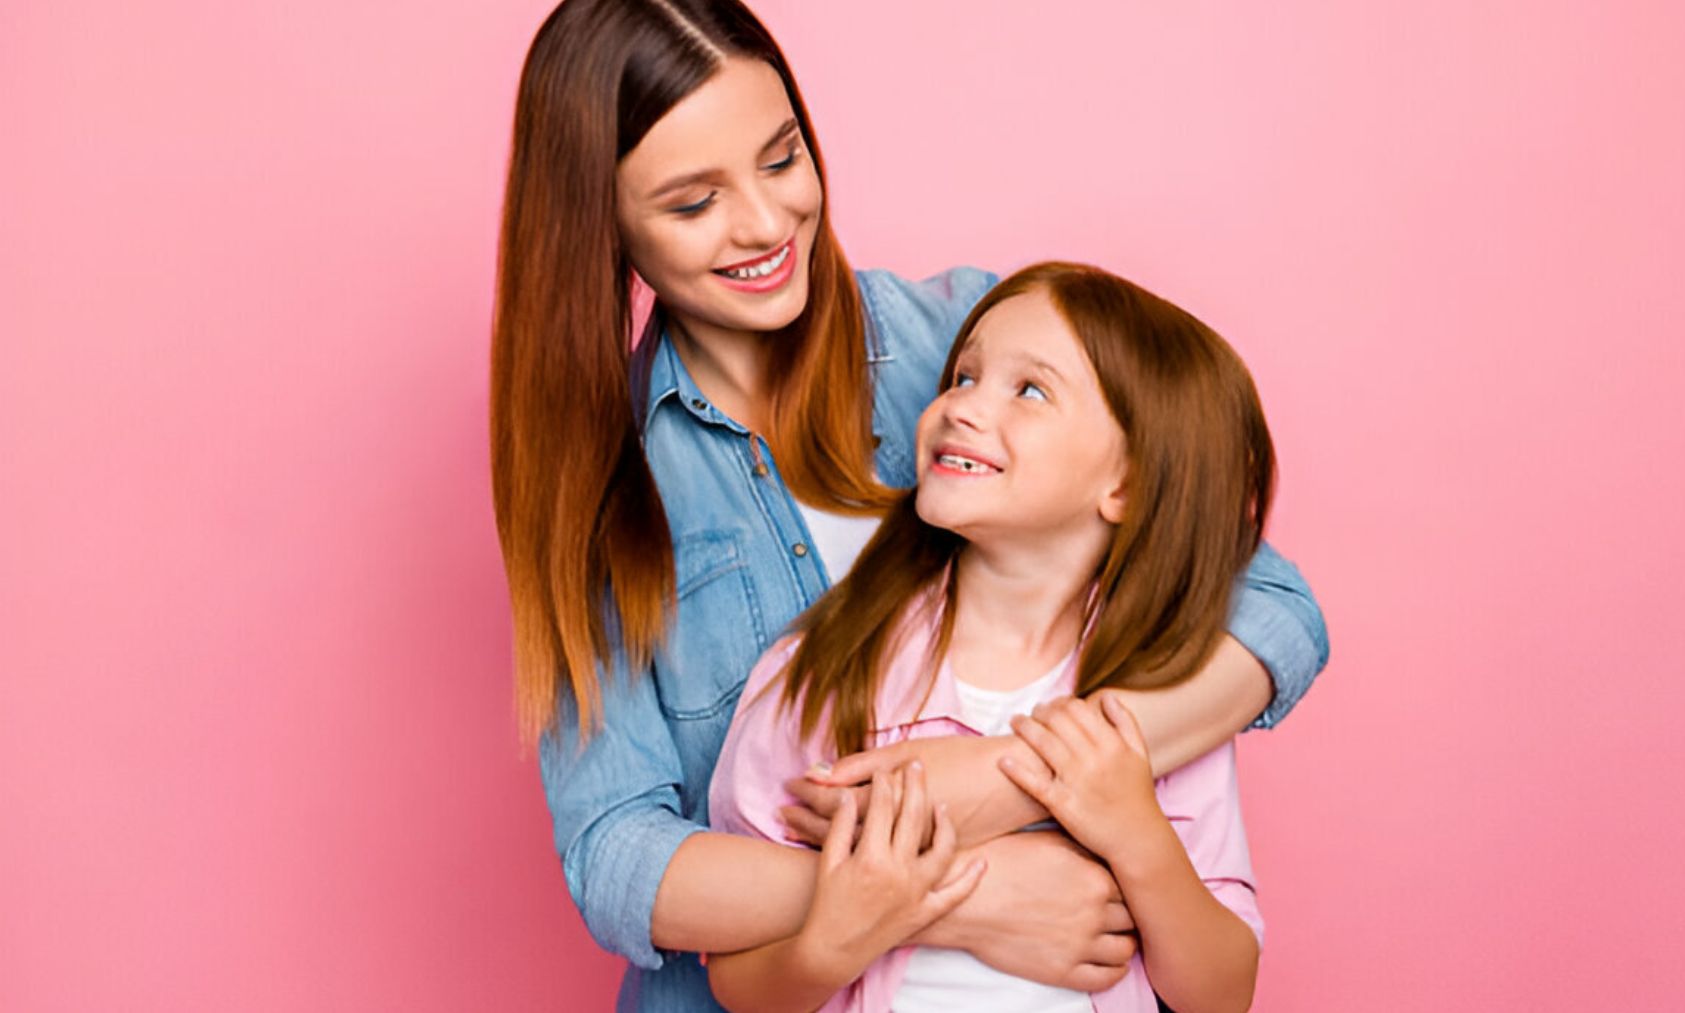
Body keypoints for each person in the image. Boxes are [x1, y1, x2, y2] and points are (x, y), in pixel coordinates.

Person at [489, 2, 1328, 1009]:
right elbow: (620, 859)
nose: (764, 223)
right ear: (605, 222)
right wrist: (943, 890)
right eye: (692, 201)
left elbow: (1269, 600)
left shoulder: (968, 344)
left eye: (781, 156)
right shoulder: (602, 488)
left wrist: (1016, 775)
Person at [708, 262, 1268, 1013]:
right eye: (964, 374)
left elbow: (1222, 992)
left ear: (1127, 485)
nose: (960, 406)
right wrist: (837, 937)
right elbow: (736, 980)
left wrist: (1137, 832)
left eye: (1028, 389)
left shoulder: (1158, 699)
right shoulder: (820, 672)